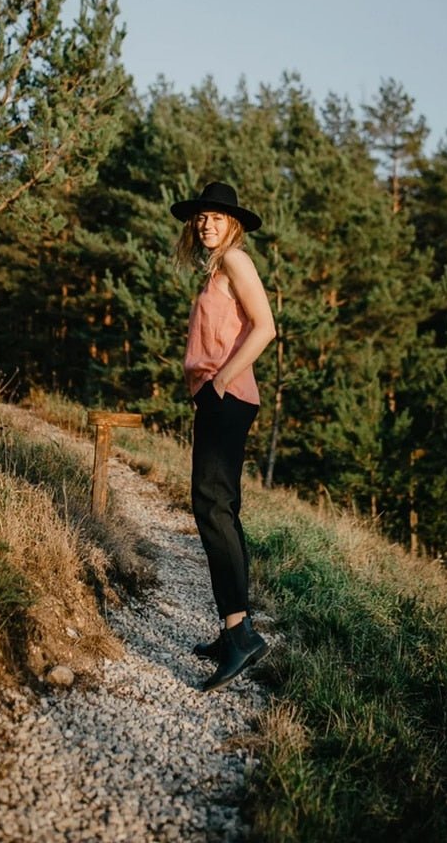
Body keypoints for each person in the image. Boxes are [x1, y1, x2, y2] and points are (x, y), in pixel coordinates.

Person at [170, 180, 276, 692]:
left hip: (227, 398)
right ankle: (235, 626)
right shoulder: (217, 268)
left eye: (215, 216)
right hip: (219, 398)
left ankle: (240, 636)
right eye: (200, 217)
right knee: (220, 509)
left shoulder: (236, 260)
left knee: (211, 508)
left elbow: (266, 327)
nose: (205, 223)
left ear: (233, 223)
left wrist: (220, 380)